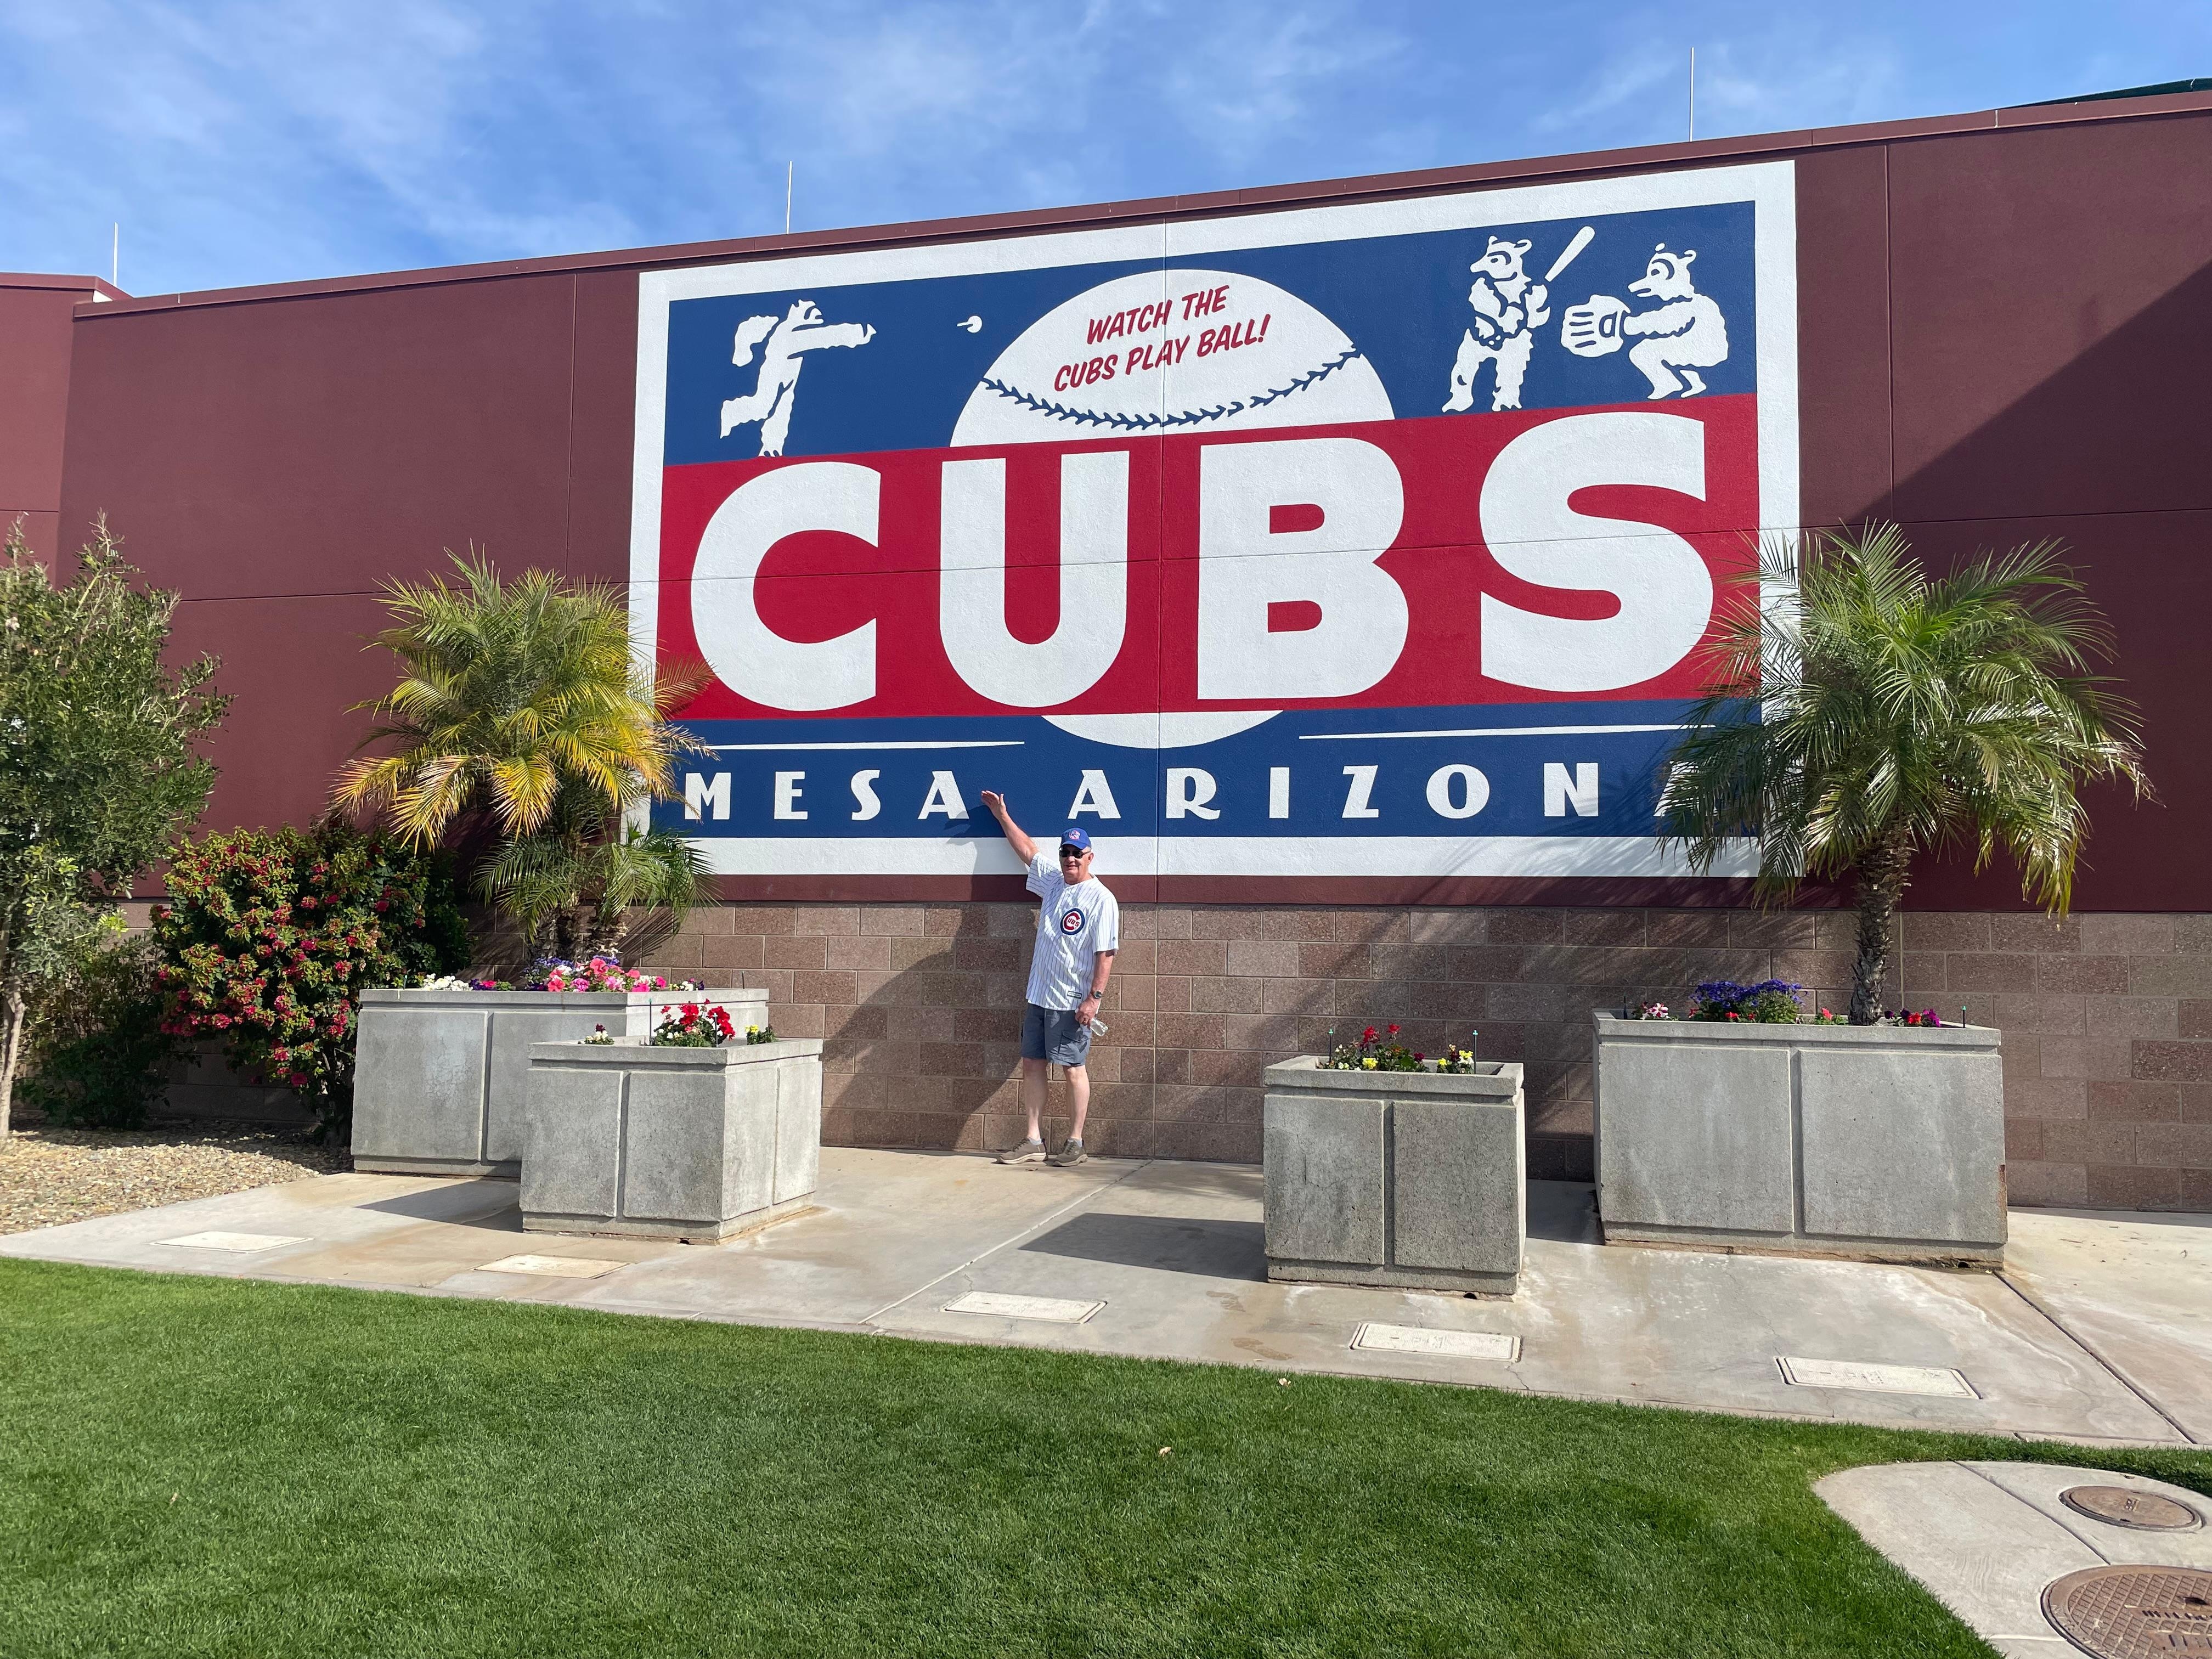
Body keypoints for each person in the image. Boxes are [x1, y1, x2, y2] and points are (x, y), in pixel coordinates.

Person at [979, 792, 1117, 1167]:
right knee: (1032, 1064)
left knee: (1073, 1069)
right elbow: (1027, 851)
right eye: (1065, 853)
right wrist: (1002, 815)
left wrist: (1094, 999)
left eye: (1077, 853)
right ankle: (1033, 1140)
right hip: (1039, 996)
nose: (1070, 859)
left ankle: (1076, 1142)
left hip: (1072, 1002)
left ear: (1089, 857)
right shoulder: (1054, 882)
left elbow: (1106, 954)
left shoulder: (1101, 899)